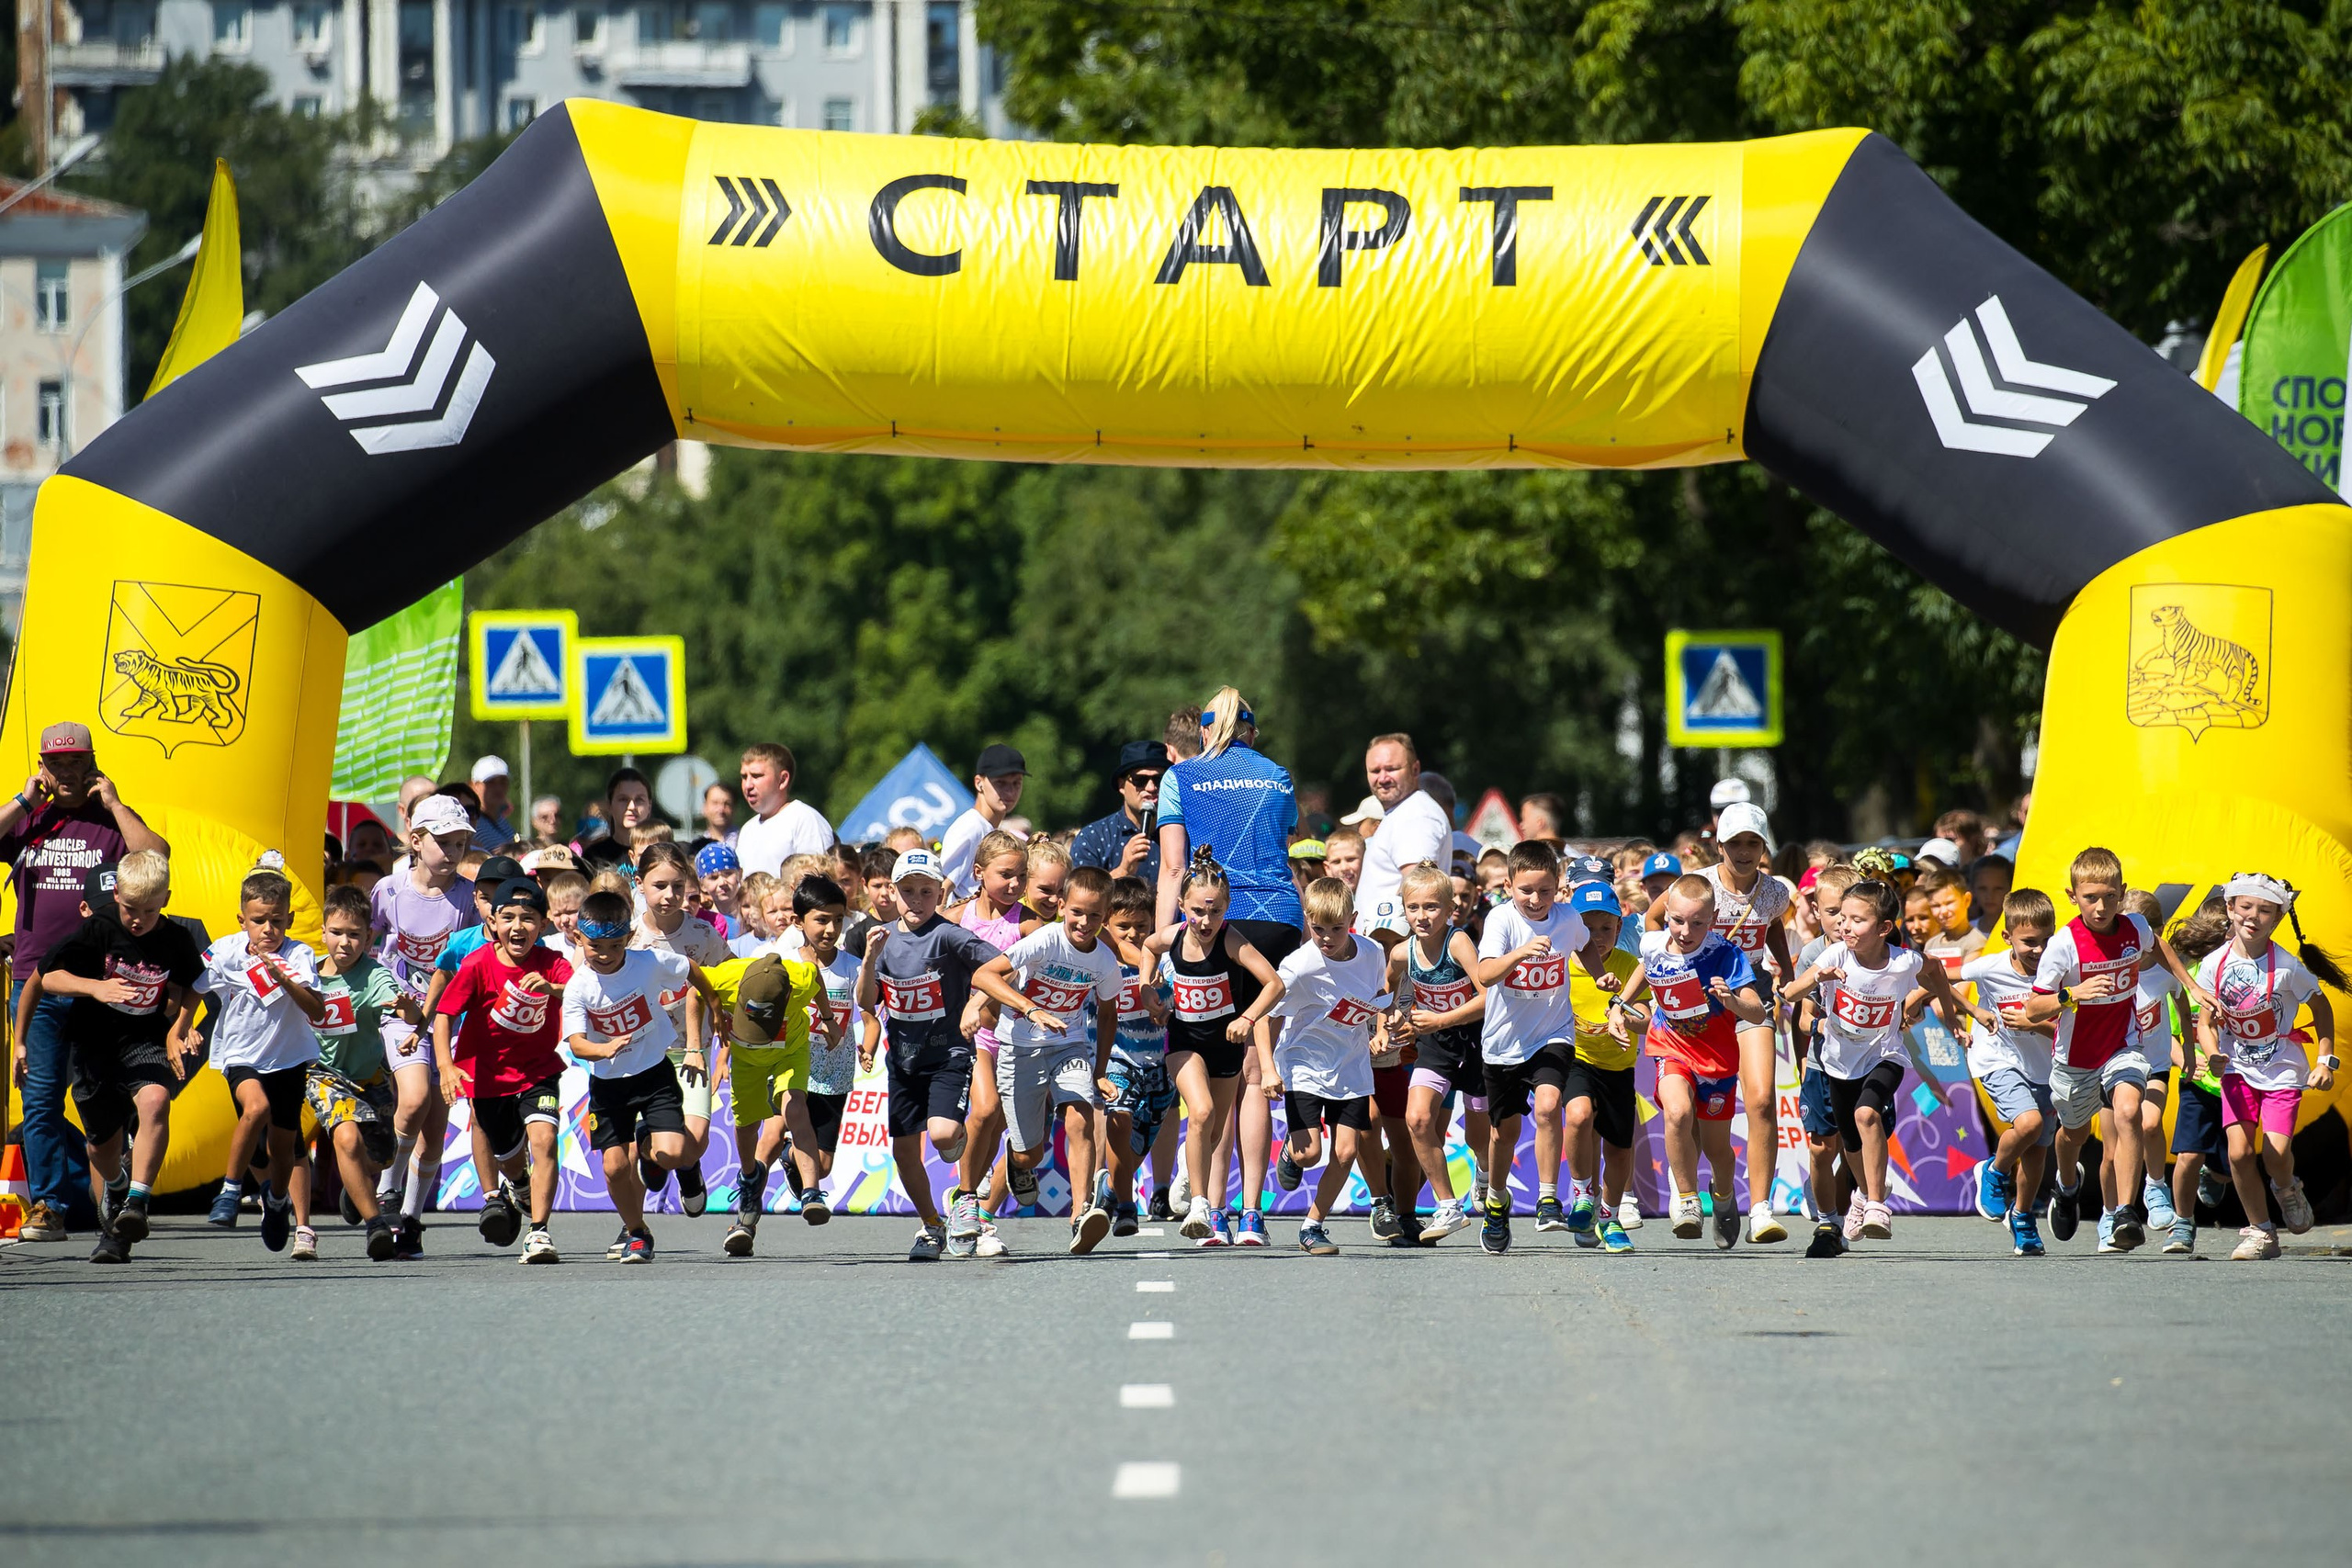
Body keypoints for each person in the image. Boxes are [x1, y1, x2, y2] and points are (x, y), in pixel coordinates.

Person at [1, 721, 168, 1241]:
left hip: (104, 983)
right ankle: (49, 1204)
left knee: (104, 1095)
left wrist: (116, 804)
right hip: (38, 980)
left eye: (76, 762)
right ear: (42, 767)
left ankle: (115, 1193)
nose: (66, 772)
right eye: (56, 763)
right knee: (41, 1097)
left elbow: (157, 857)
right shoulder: (31, 820)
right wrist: (24, 802)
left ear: (92, 764)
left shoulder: (109, 822)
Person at [856, 848, 1034, 1261]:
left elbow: (1005, 967)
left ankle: (967, 1183)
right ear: (893, 893)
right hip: (901, 1060)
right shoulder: (881, 938)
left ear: (939, 892)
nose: (915, 900)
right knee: (905, 1153)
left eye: (925, 891)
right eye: (907, 891)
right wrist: (868, 959)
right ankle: (932, 1225)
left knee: (942, 1134)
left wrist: (976, 1002)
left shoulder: (950, 934)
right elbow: (868, 1002)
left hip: (948, 1054)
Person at [2020, 847, 2199, 1251]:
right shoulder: (2064, 945)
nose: (2101, 907)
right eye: (2090, 898)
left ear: (2122, 892)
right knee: (2073, 1134)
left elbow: (2157, 945)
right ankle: (2066, 1186)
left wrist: (2193, 986)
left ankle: (2124, 1211)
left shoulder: (2134, 927)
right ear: (2072, 896)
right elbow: (2033, 1009)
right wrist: (2073, 993)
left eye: (2109, 897)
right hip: (2075, 1060)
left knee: (2129, 1112)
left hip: (2124, 1046)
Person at [28, 855, 200, 1263]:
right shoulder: (98, 930)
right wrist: (96, 988)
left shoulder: (175, 938)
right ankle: (119, 1184)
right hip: (94, 1047)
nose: (138, 920)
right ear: (116, 895)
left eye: (149, 911)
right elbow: (49, 975)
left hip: (144, 1041)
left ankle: (137, 1201)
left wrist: (180, 1026)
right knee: (100, 1150)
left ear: (166, 900)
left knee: (157, 1101)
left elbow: (194, 984)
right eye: (130, 909)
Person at [1781, 878, 1964, 1256]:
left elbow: (1937, 972)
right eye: (1843, 918)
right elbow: (1789, 993)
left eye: (1857, 920)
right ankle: (1864, 1193)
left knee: (1867, 1115)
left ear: (1883, 928)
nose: (1846, 927)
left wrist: (1950, 1017)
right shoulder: (1834, 956)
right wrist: (1819, 976)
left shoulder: (1902, 961)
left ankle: (1878, 1205)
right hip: (1836, 1062)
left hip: (1885, 1056)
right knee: (1849, 1142)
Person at [2189, 874, 2343, 1261]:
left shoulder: (2289, 966)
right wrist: (2212, 1055)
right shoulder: (2213, 964)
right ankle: (2260, 1231)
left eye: (2265, 911)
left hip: (2281, 1071)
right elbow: (2205, 1023)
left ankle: (2287, 1186)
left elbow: (2320, 1007)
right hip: (2237, 1071)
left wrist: (2326, 1060)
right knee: (2239, 1154)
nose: (2253, 917)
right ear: (2230, 909)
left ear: (2276, 918)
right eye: (2245, 907)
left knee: (2274, 1154)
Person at [980, 864, 1124, 1254]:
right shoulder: (1043, 942)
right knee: (1031, 1153)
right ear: (1062, 906)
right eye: (1077, 912)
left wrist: (1099, 1071)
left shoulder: (1105, 962)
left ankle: (1080, 1214)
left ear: (1105, 916)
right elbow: (984, 975)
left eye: (1095, 915)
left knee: (1079, 1116)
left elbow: (1108, 1013)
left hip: (1068, 1045)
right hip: (1019, 1047)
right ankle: (1016, 1158)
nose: (1084, 922)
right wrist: (1029, 1009)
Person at [1147, 850, 1283, 1247]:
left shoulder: (1231, 940)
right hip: (1184, 1042)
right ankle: (1202, 1204)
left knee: (1213, 1129)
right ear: (1182, 906)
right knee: (1201, 1109)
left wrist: (1247, 1018)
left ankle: (1197, 1175)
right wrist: (1146, 989)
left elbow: (1274, 984)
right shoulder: (1172, 936)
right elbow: (1148, 947)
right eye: (1197, 912)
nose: (1206, 922)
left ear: (1226, 909)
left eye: (1216, 912)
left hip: (1226, 1047)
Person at [435, 877, 571, 1263]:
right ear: (492, 922)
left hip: (539, 1071)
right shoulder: (478, 964)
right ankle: (519, 1185)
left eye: (528, 919)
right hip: (489, 1080)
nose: (517, 927)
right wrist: (446, 1065)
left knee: (544, 1140)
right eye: (508, 917)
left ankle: (539, 1232)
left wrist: (552, 989)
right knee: (510, 1159)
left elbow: (581, 994)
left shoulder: (553, 964)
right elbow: (446, 1013)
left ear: (543, 926)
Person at [365, 791, 478, 1255]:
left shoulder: (468, 898)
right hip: (399, 1014)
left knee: (434, 1130)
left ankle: (409, 1219)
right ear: (415, 840)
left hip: (447, 1020)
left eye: (460, 844)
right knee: (410, 1101)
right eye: (443, 841)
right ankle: (385, 1192)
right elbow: (363, 944)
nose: (452, 852)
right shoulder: (389, 891)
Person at [197, 863, 328, 1258]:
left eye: (276, 920)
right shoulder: (225, 950)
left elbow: (317, 1010)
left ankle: (275, 1201)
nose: (268, 929)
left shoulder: (299, 953)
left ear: (289, 918)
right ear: (242, 920)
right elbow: (194, 987)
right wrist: (181, 1025)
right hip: (240, 1053)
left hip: (288, 1058)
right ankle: (230, 1191)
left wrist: (283, 976)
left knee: (284, 1147)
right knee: (256, 1108)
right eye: (258, 921)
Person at [1624, 874, 1763, 1248]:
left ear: (1714, 918)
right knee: (1677, 1113)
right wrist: (1620, 1004)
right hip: (1670, 1047)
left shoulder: (1726, 954)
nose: (1686, 931)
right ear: (1665, 913)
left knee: (1718, 1150)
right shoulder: (1653, 943)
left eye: (1698, 923)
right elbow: (1646, 967)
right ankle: (1686, 1200)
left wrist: (1732, 1001)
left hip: (1716, 1062)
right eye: (1678, 921)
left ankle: (1723, 1198)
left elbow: (1757, 1013)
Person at [1252, 876, 1388, 1255]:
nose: (1327, 938)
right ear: (1307, 920)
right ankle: (1290, 1152)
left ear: (1353, 920)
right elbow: (1265, 1017)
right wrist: (1268, 1068)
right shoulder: (1299, 966)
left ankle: (1312, 1226)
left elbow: (1378, 996)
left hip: (1351, 1065)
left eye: (1337, 929)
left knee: (1346, 1152)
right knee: (1308, 1155)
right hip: (1304, 1063)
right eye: (1318, 929)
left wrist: (1380, 1030)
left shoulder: (1373, 952)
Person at [560, 888, 696, 1264]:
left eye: (615, 946)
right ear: (578, 938)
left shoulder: (647, 962)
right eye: (595, 947)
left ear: (629, 938)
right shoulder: (578, 987)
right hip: (608, 1085)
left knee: (671, 1153)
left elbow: (688, 969)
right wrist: (603, 1049)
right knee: (614, 1166)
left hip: (653, 1074)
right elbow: (576, 1043)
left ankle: (650, 1147)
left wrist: (715, 1004)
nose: (605, 955)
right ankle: (637, 1232)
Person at [1471, 840, 1588, 1256]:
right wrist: (1520, 953)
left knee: (1547, 1105)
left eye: (1544, 890)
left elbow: (1586, 945)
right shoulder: (1501, 921)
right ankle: (1497, 1201)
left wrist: (1600, 975)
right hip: (1504, 1043)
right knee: (1504, 1135)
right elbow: (1485, 975)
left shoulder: (1567, 918)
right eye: (1526, 890)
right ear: (1508, 886)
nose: (1536, 900)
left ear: (1558, 886)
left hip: (1552, 1034)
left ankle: (1547, 1199)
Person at [1697, 801, 1795, 1245]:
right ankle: (1721, 1191)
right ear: (1720, 845)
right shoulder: (1698, 885)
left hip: (1751, 989)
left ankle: (1760, 1208)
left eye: (1752, 842)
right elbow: (1658, 918)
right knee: (1706, 1113)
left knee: (1760, 1100)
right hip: (1699, 997)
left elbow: (1771, 927)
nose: (1743, 850)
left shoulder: (1775, 892)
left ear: (1763, 847)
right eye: (1735, 842)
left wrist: (1790, 977)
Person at [306, 882, 418, 1261]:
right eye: (336, 933)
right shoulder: (309, 974)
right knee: (347, 1140)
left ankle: (354, 1191)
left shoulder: (374, 976)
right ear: (323, 932)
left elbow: (408, 1012)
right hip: (323, 1075)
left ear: (370, 936)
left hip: (370, 1079)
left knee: (384, 1154)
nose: (345, 942)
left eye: (355, 935)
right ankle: (375, 1225)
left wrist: (407, 1008)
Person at [708, 942, 840, 1257]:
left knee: (795, 1107)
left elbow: (815, 977)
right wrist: (711, 1018)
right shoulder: (725, 978)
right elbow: (690, 983)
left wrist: (829, 1018)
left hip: (790, 1052)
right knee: (747, 1125)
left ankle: (811, 1193)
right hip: (746, 1059)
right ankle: (751, 1178)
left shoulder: (798, 979)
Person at [944, 829, 1036, 1248]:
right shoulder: (956, 918)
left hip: (1016, 1037)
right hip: (973, 1033)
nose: (1015, 885)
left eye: (1022, 876)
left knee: (1004, 1130)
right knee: (985, 1109)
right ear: (978, 872)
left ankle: (980, 1218)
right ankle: (964, 1196)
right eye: (1006, 875)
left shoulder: (1029, 923)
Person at [630, 842, 731, 1215]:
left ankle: (689, 1168)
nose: (669, 895)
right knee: (660, 1146)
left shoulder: (703, 935)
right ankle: (650, 1156)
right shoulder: (628, 939)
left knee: (694, 1142)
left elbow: (730, 976)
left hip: (694, 1051)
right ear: (640, 884)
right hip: (643, 1057)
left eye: (677, 886)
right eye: (659, 886)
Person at [1960, 887, 2060, 1258]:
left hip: (2046, 1069)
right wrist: (1971, 1012)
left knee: (2036, 1154)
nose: (2038, 950)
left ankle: (2022, 1218)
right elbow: (1935, 975)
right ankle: (1994, 1170)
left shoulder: (2061, 973)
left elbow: (2071, 1029)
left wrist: (2036, 1024)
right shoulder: (1991, 966)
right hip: (1998, 1059)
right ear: (2008, 938)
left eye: (2046, 941)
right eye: (2029, 942)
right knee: (2029, 1124)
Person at [1391, 861, 1485, 1245]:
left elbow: (1488, 996)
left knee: (1481, 1139)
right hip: (1435, 1047)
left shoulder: (1458, 942)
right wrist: (1388, 1026)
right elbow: (1390, 998)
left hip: (1477, 1042)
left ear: (1450, 910)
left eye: (1431, 907)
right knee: (1417, 1119)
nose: (1422, 916)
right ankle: (1448, 1206)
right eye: (1413, 908)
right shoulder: (1401, 954)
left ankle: (1486, 1177)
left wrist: (1443, 1018)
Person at [1565, 880, 1642, 1255]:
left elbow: (1648, 1016)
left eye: (1606, 929)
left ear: (1620, 928)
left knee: (1619, 1149)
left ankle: (1609, 1219)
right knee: (1578, 1116)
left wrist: (1623, 1017)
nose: (1596, 937)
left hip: (1619, 1068)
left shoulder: (1630, 967)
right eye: (1587, 929)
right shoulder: (1561, 962)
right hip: (1577, 1061)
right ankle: (1582, 1195)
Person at [1101, 875, 1175, 1235]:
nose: (1131, 933)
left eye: (1141, 926)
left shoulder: (1166, 966)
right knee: (1119, 1117)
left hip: (1159, 1068)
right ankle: (1127, 1208)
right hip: (1117, 1059)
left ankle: (1112, 1188)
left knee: (1138, 1144)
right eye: (1122, 926)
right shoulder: (1101, 959)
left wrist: (1166, 1006)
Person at [1353, 734, 1452, 947]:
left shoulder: (1416, 815)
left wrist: (1394, 960)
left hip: (1399, 958)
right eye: (1375, 771)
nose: (1383, 778)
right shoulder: (1403, 813)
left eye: (1392, 769)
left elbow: (1419, 887)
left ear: (1415, 769)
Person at [1070, 739, 1170, 890]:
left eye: (1159, 780)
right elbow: (1080, 897)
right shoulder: (1093, 837)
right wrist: (1123, 870)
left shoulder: (1181, 834)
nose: (1151, 787)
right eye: (1140, 780)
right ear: (1121, 785)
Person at [940, 743, 1028, 898]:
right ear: (979, 783)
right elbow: (941, 889)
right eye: (1000, 783)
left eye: (1016, 783)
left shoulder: (987, 827)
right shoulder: (971, 827)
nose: (1010, 791)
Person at [735, 743, 832, 878]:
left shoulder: (805, 819)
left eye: (757, 776)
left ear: (782, 779)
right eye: (744, 777)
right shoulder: (747, 830)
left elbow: (817, 887)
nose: (748, 785)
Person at [696, 842, 744, 940]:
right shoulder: (701, 922)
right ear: (702, 885)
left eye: (728, 874)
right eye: (713, 878)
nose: (722, 882)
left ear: (740, 874)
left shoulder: (752, 915)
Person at [469, 756, 514, 848]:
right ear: (475, 786)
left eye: (503, 782)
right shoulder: (470, 824)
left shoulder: (502, 821)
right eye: (490, 782)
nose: (498, 788)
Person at [701, 780, 739, 848]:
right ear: (704, 808)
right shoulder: (698, 847)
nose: (721, 809)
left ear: (734, 809)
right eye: (715, 803)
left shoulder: (745, 841)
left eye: (727, 804)